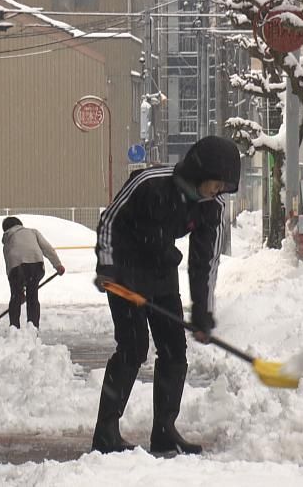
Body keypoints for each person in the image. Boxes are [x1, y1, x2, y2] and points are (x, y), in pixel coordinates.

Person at [90, 135, 240, 454]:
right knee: (133, 347)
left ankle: (164, 431)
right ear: (201, 172)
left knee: (174, 350)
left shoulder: (211, 206)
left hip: (161, 270)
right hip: (125, 267)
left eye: (223, 187)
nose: (218, 192)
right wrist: (107, 265)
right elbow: (109, 220)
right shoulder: (150, 182)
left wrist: (202, 312)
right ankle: (106, 432)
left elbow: (205, 263)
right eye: (216, 184)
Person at [1, 217, 65, 328]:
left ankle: (14, 328)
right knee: (32, 296)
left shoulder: (8, 239)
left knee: (15, 298)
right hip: (36, 266)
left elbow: (9, 262)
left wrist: (16, 287)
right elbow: (47, 248)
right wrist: (57, 265)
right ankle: (33, 327)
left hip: (17, 268)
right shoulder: (32, 232)